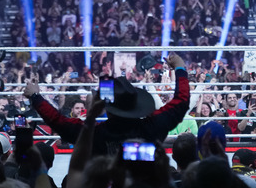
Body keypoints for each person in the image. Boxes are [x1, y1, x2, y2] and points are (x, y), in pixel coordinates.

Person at [24, 53, 191, 155]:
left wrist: (36, 97)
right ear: (136, 105)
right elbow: (181, 102)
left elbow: (58, 121)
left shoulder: (94, 134)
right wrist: (180, 68)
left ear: (108, 109)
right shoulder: (152, 126)